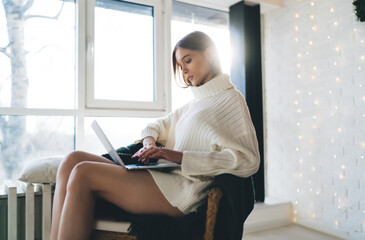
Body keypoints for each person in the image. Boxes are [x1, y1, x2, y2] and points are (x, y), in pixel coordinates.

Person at [50, 31, 260, 240]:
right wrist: (149, 144)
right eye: (180, 65)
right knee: (72, 160)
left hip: (185, 190)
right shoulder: (193, 105)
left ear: (210, 54)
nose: (184, 70)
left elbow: (248, 160)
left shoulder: (231, 100)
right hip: (164, 179)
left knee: (83, 172)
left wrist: (176, 156)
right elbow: (154, 126)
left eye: (188, 60)